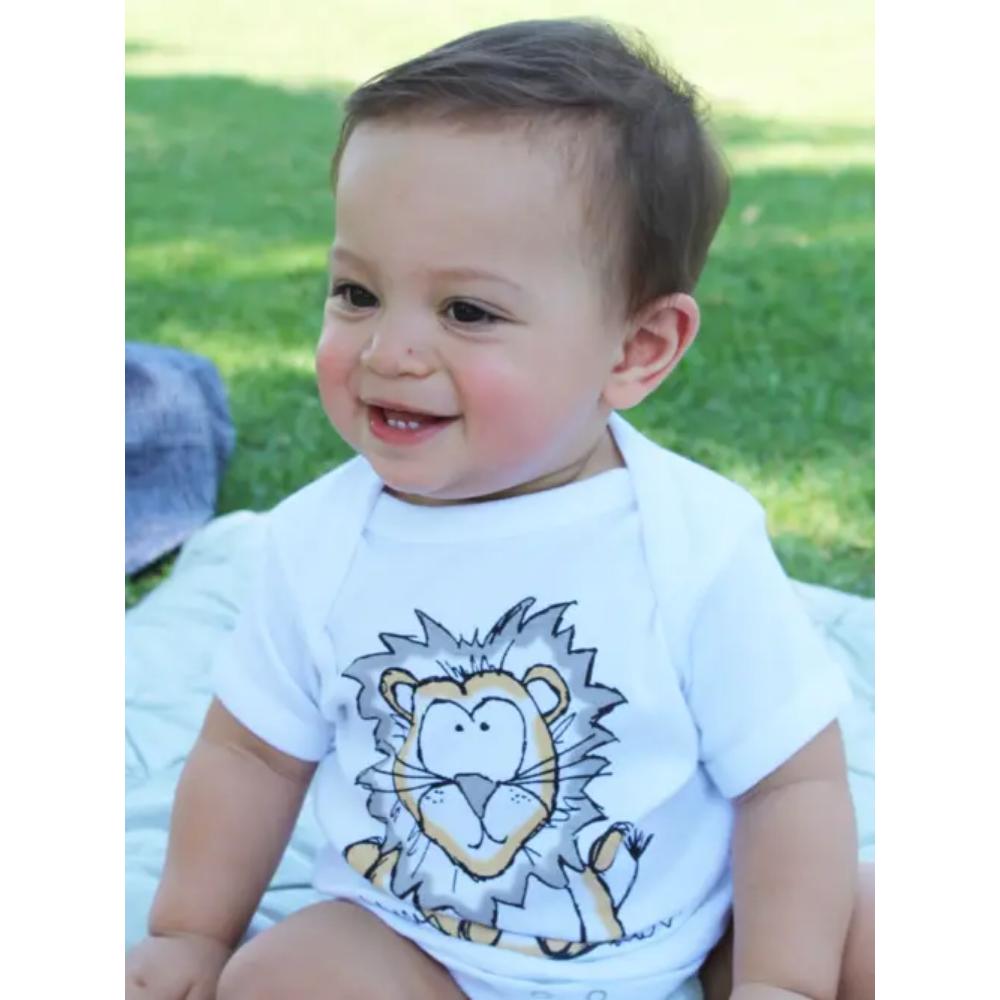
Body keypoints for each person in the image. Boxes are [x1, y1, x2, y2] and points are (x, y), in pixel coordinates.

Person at [125, 18, 874, 1000]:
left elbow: (791, 783)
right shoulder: (316, 542)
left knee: (889, 927)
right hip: (416, 948)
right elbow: (251, 755)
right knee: (278, 979)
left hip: (692, 930)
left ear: (635, 349)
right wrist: (189, 933)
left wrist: (783, 980)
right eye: (356, 292)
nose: (389, 350)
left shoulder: (695, 543)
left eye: (467, 311)